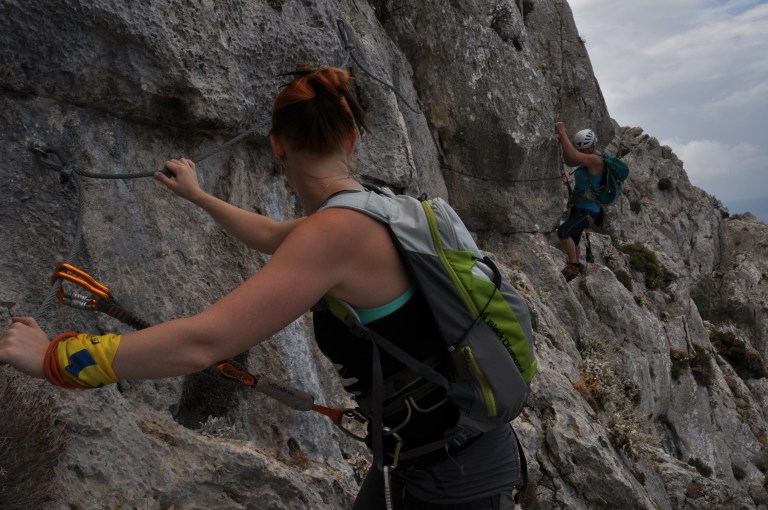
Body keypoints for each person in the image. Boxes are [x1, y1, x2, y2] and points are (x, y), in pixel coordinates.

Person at [0, 66, 522, 509]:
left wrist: (56, 359)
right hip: (450, 455)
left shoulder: (334, 234)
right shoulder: (381, 207)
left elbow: (202, 343)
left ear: (275, 144)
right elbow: (273, 235)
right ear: (352, 139)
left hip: (455, 478)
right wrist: (199, 197)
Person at [555, 121, 605, 281]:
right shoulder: (586, 159)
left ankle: (573, 265)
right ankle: (575, 266)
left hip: (589, 211)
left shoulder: (596, 160)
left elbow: (573, 157)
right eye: (580, 150)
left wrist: (563, 133)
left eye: (583, 150)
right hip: (579, 207)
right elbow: (570, 161)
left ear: (591, 147)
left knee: (563, 232)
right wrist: (563, 142)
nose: (581, 152)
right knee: (575, 239)